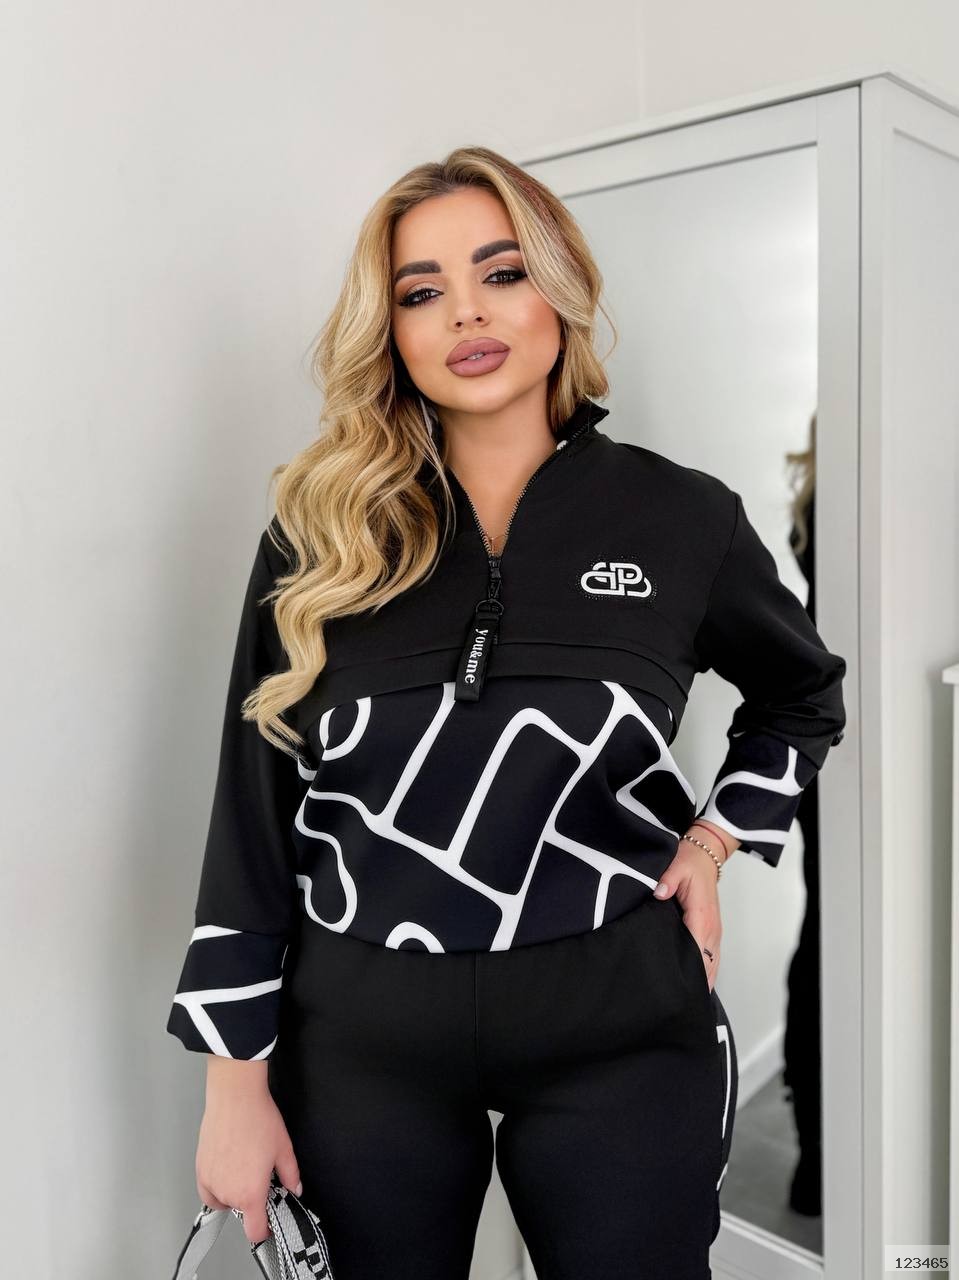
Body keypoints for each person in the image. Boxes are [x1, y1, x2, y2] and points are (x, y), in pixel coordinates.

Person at [166, 145, 847, 1280]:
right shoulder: (319, 531)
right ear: (389, 331)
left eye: (501, 272)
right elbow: (253, 810)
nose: (466, 313)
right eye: (421, 291)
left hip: (619, 1020)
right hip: (363, 1038)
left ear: (559, 289)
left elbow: (801, 691)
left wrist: (713, 840)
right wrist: (233, 1085)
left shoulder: (682, 519)